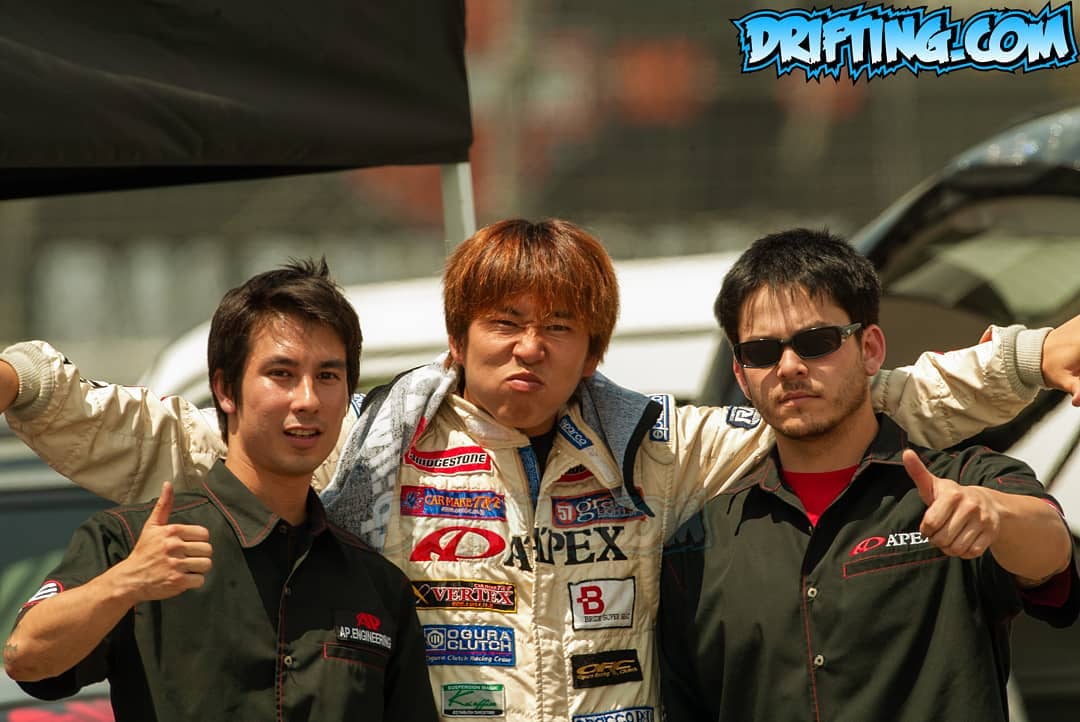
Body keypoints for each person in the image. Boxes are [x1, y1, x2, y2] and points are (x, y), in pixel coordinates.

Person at [3, 219, 1080, 721]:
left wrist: (1032, 357)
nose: (530, 347)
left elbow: (843, 401)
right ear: (458, 337)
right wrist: (18, 383)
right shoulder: (360, 441)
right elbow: (149, 434)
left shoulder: (654, 445)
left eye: (559, 326)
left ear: (592, 350)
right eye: (503, 322)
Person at [658, 229, 1080, 722]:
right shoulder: (696, 544)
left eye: (816, 342)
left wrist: (996, 516)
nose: (789, 367)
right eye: (762, 352)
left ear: (871, 349)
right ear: (741, 374)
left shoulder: (967, 479)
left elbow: (1053, 560)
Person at [2, 259, 437, 722]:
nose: (308, 400)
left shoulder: (377, 583)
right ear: (226, 390)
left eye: (328, 376)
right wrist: (127, 582)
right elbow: (26, 658)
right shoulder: (135, 543)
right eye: (282, 374)